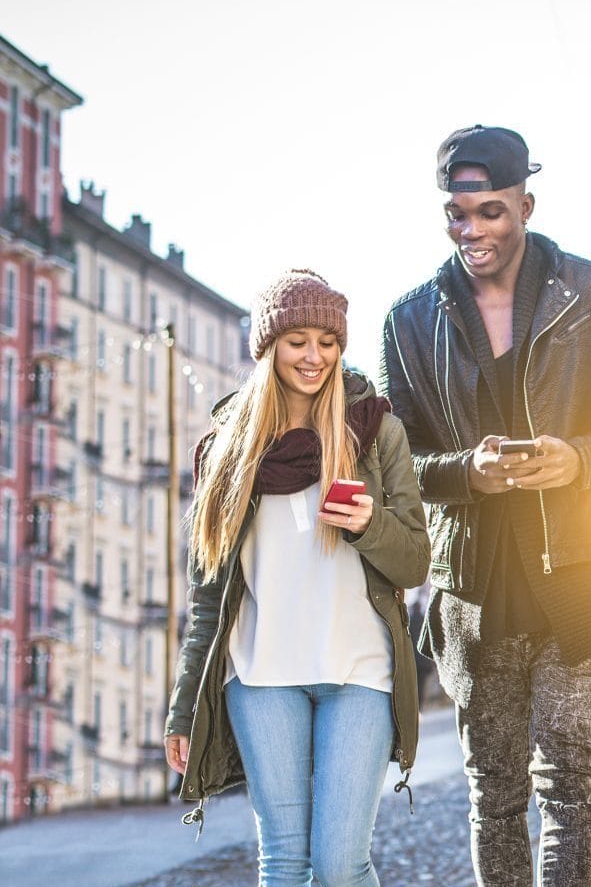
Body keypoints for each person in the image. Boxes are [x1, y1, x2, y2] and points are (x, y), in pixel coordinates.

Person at [380, 125, 591, 886]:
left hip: (585, 571)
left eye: (491, 212)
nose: (473, 231)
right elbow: (396, 465)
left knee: (567, 788)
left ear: (526, 204)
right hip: (475, 587)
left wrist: (577, 460)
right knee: (494, 795)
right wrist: (469, 472)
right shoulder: (410, 319)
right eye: (457, 215)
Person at [164, 270, 430, 886]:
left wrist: (369, 524)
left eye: (328, 342)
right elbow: (208, 600)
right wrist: (184, 710)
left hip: (359, 673)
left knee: (339, 866)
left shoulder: (375, 432)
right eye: (297, 340)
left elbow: (415, 561)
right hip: (260, 680)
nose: (314, 356)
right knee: (283, 864)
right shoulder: (226, 451)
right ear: (269, 347)